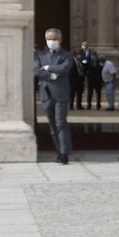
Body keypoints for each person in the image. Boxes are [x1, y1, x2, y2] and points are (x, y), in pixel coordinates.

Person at [33, 27, 75, 165]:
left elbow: (65, 68)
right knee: (52, 125)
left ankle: (64, 153)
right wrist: (51, 74)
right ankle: (58, 150)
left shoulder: (66, 55)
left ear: (60, 40)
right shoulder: (40, 54)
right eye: (49, 39)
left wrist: (48, 67)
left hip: (60, 93)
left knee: (61, 123)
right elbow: (36, 71)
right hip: (46, 94)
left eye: (54, 39)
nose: (52, 41)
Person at [75, 41, 101, 110]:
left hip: (93, 76)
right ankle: (88, 105)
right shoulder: (79, 52)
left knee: (95, 92)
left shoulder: (91, 54)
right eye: (84, 45)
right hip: (86, 74)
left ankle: (97, 105)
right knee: (89, 91)